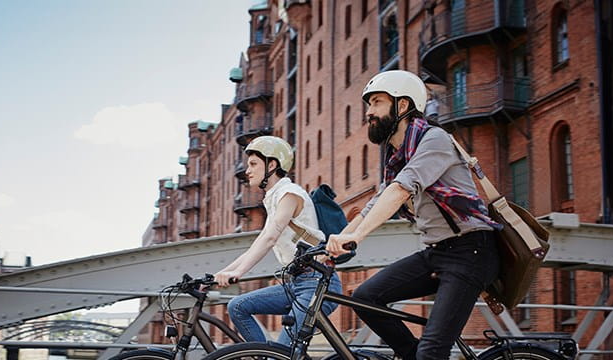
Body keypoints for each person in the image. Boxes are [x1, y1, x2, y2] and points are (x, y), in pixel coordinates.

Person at [327, 70, 502, 360]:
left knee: (432, 352)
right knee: (365, 298)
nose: (369, 112)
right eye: (368, 105)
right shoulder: (400, 156)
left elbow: (400, 191)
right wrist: (339, 242)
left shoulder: (435, 140)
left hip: (472, 252)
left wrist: (358, 235)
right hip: (438, 251)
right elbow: (378, 201)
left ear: (403, 106)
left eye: (377, 103)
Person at [212, 135, 342, 344]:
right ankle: (266, 355)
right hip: (295, 282)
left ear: (271, 164)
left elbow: (271, 237)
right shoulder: (274, 198)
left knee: (284, 355)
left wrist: (238, 272)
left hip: (316, 283)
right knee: (237, 306)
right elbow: (260, 241)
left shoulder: (290, 194)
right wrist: (223, 272)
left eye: (254, 164)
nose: (248, 170)